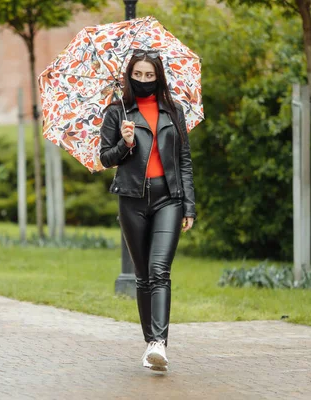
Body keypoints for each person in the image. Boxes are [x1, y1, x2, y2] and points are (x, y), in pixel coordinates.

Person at [99, 49, 196, 372]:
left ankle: (158, 344)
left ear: (158, 77)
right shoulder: (117, 112)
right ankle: (150, 343)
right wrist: (125, 143)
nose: (143, 81)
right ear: (129, 76)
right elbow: (105, 159)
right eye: (138, 75)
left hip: (169, 198)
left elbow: (183, 159)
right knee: (143, 277)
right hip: (131, 199)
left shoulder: (173, 111)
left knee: (159, 271)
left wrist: (189, 205)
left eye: (149, 75)